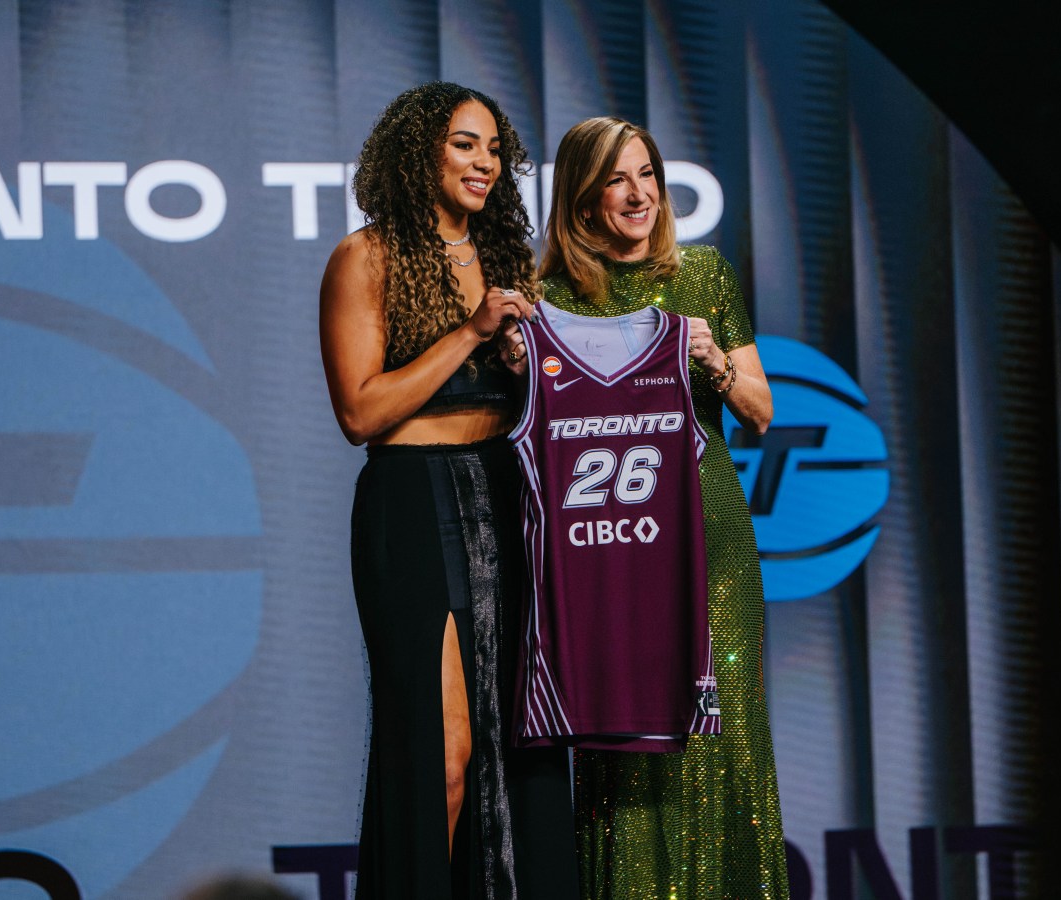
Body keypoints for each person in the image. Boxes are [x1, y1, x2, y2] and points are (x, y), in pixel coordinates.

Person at [320, 82, 578, 900]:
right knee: (444, 757)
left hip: (507, 498)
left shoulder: (507, 264)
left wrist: (524, 365)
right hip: (412, 503)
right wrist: (469, 333)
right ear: (418, 148)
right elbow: (360, 411)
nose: (485, 163)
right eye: (466, 144)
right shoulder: (365, 258)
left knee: (525, 754)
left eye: (496, 149)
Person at [521, 116, 791, 899]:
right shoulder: (547, 302)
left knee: (725, 741)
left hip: (711, 549)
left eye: (647, 175)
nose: (637, 194)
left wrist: (711, 360)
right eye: (616, 179)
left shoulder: (703, 274)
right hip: (604, 551)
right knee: (624, 748)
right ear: (581, 195)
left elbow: (761, 411)